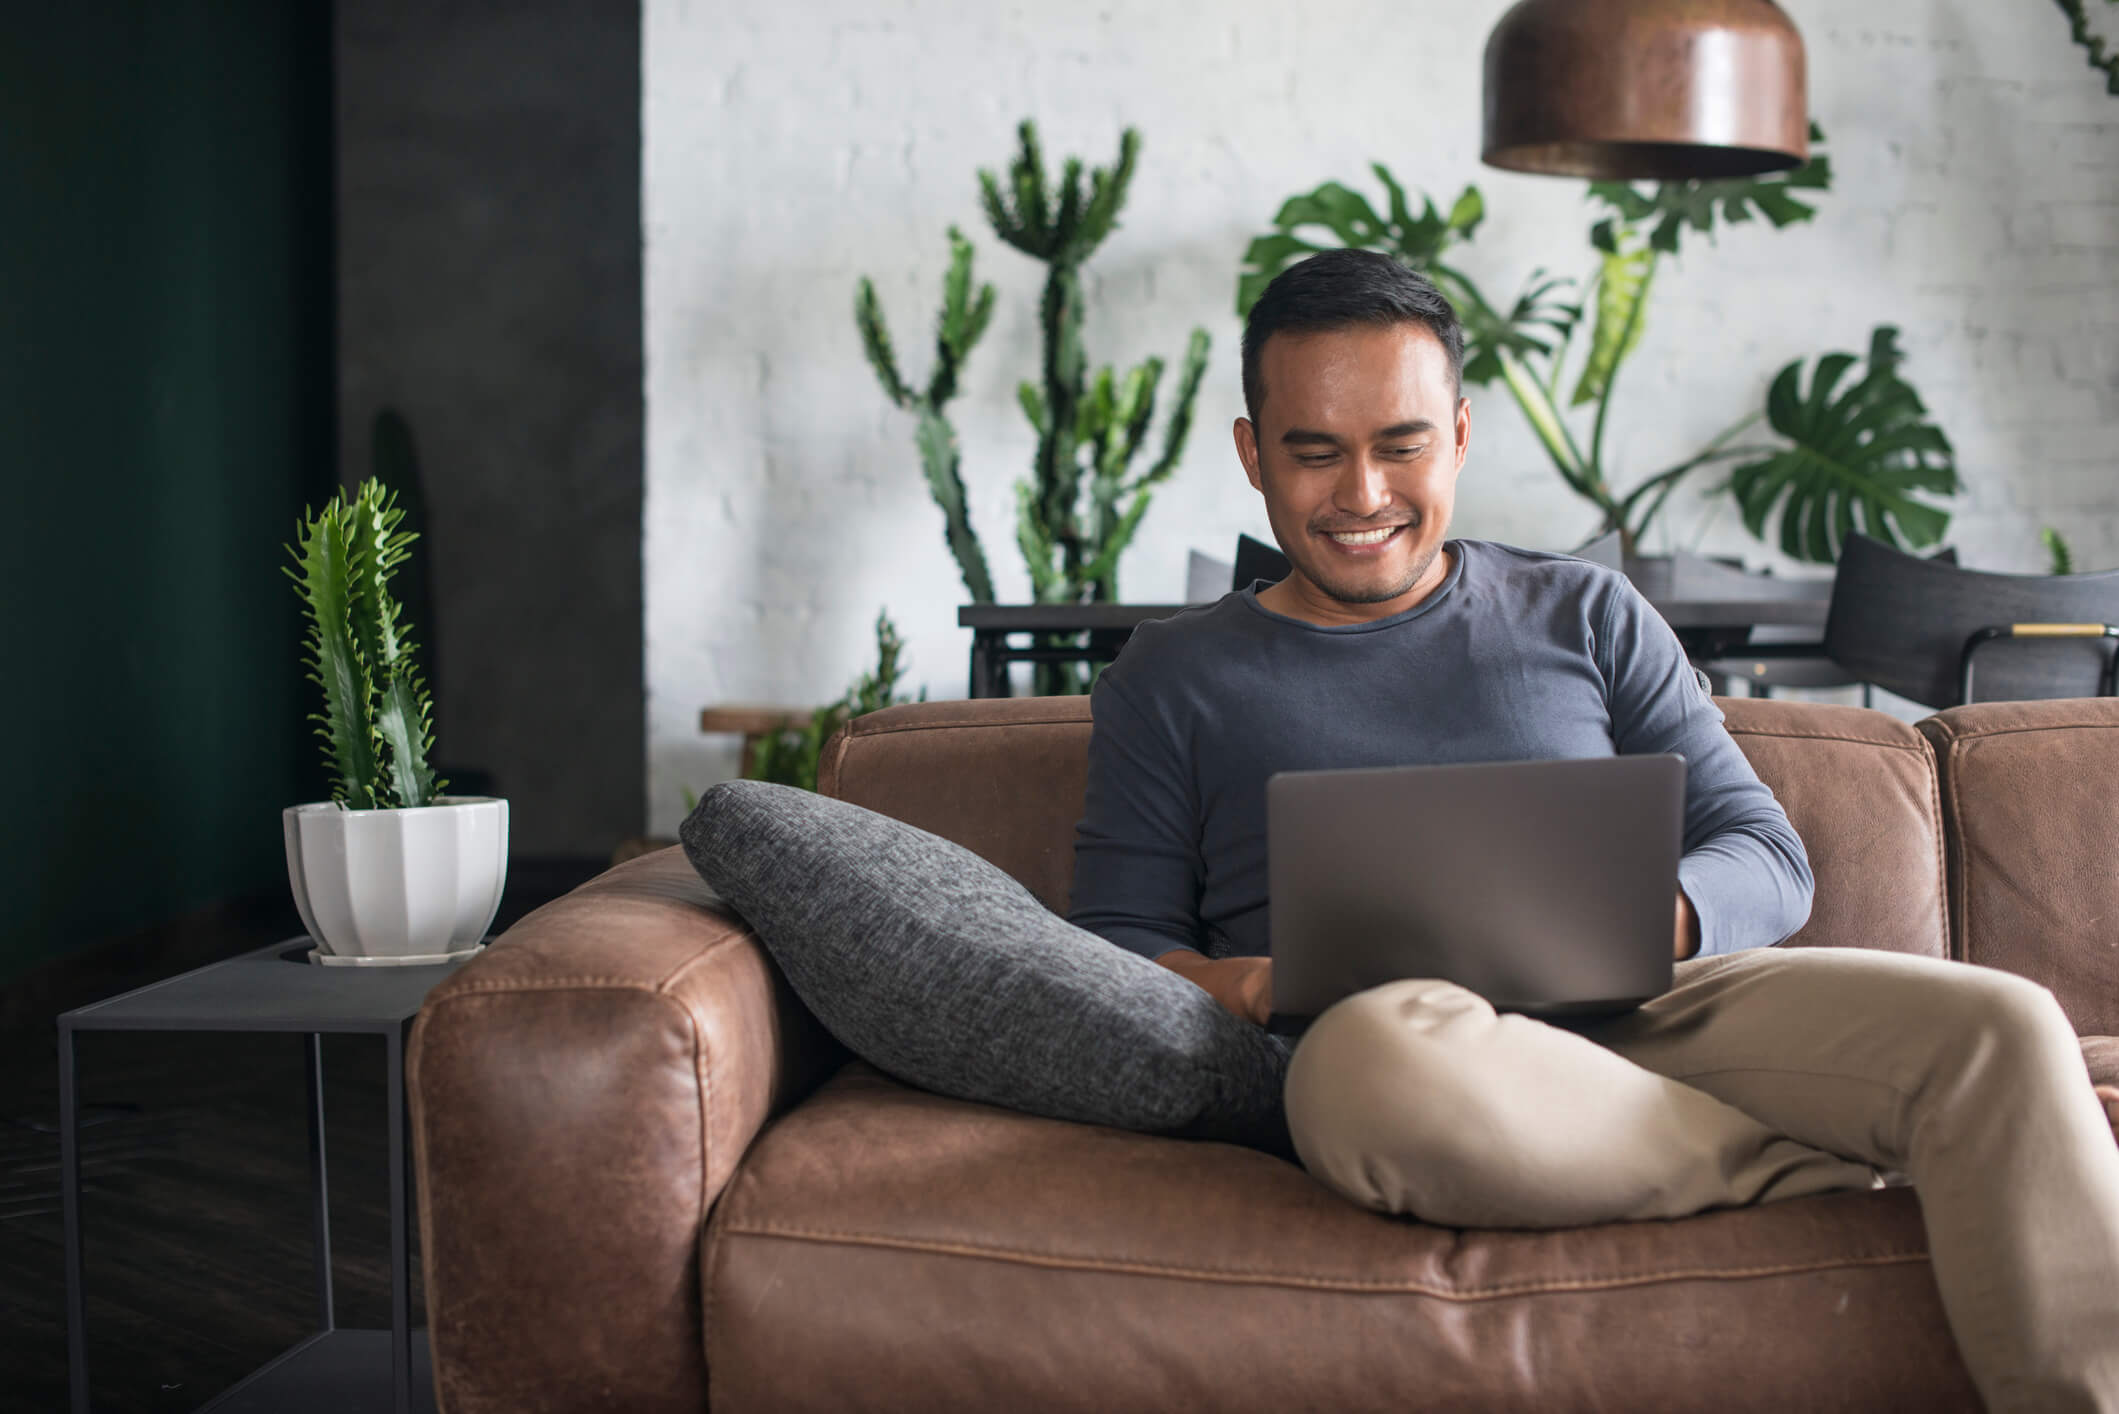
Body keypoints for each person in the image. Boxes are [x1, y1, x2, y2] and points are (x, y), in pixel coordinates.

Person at [1064, 249, 2119, 1413]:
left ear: (1458, 437)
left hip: (1651, 1008)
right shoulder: (1171, 678)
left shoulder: (1587, 611)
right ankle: (1815, 1171)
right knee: (1368, 1071)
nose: (1361, 493)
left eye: (1400, 445)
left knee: (2007, 1024)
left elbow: (1766, 857)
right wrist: (1259, 984)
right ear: (1252, 452)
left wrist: (1638, 916)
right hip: (1409, 1057)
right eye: (1314, 452)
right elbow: (1114, 950)